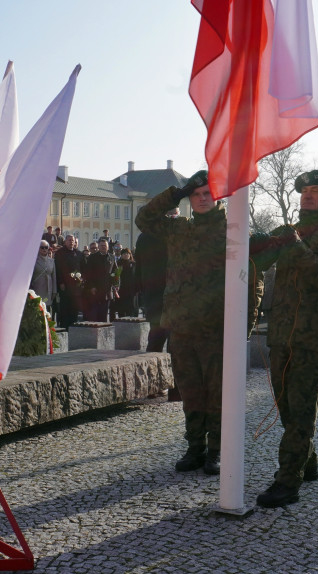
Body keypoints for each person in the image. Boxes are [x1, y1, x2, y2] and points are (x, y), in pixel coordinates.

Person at [249, 169, 318, 508]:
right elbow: (257, 260)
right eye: (305, 190)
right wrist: (252, 242)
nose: (308, 195)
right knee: (287, 409)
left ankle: (287, 481)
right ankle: (307, 461)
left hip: (312, 337)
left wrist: (295, 247)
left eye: (317, 190)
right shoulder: (289, 232)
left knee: (302, 409)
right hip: (281, 334)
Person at [135, 170, 229, 475]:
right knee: (190, 391)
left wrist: (245, 324)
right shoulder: (179, 229)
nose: (202, 199)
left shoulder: (231, 229)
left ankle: (216, 450)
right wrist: (175, 192)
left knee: (216, 393)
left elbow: (251, 279)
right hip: (183, 327)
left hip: (216, 327)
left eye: (207, 194)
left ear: (218, 197)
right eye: (196, 194)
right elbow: (145, 219)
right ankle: (195, 447)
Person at [135, 210, 175, 353]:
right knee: (172, 333)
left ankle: (152, 358)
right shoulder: (168, 236)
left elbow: (137, 266)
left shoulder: (142, 237)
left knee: (155, 332)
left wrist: (141, 290)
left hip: (150, 290)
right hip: (169, 288)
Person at [83, 238, 117, 322]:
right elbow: (88, 274)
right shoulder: (92, 257)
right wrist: (91, 287)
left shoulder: (112, 257)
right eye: (101, 246)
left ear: (108, 247)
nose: (103, 247)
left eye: (105, 246)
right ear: (98, 247)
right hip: (95, 290)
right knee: (95, 315)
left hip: (107, 291)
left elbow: (116, 272)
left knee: (104, 315)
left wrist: (116, 284)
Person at [54, 235, 83, 328]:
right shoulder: (59, 253)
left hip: (76, 287)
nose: (71, 242)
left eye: (73, 240)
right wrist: (61, 282)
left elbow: (82, 268)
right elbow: (58, 269)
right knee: (65, 310)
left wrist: (81, 279)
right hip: (65, 286)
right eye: (69, 240)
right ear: (65, 242)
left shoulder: (78, 253)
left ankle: (73, 328)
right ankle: (64, 328)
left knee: (74, 310)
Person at [31, 240, 57, 314]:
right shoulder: (34, 261)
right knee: (37, 310)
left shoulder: (51, 261)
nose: (44, 249)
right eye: (42, 247)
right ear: (38, 248)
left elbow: (54, 277)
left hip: (48, 291)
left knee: (47, 310)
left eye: (46, 247)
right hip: (37, 290)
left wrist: (54, 291)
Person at [114, 248, 138, 318]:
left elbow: (137, 276)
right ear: (121, 255)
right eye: (124, 253)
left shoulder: (134, 264)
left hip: (132, 290)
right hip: (121, 289)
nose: (126, 255)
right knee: (122, 309)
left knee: (132, 309)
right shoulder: (118, 264)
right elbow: (116, 276)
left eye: (128, 253)